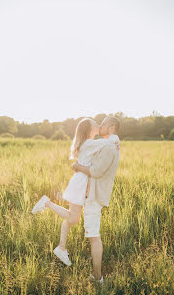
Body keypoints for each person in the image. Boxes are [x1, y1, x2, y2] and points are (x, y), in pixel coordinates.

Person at [31, 117, 119, 270]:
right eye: (95, 124)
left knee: (72, 217)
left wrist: (77, 165)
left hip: (81, 181)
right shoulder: (89, 143)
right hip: (80, 183)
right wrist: (115, 139)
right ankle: (47, 203)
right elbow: (106, 143)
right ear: (88, 130)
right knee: (73, 218)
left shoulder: (88, 143)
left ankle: (61, 248)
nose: (98, 125)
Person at [72, 116, 121, 282]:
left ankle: (97, 276)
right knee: (92, 235)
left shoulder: (110, 145)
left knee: (93, 236)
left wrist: (78, 167)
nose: (100, 125)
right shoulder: (109, 143)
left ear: (112, 126)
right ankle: (96, 274)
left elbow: (97, 171)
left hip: (94, 196)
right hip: (91, 193)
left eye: (104, 123)